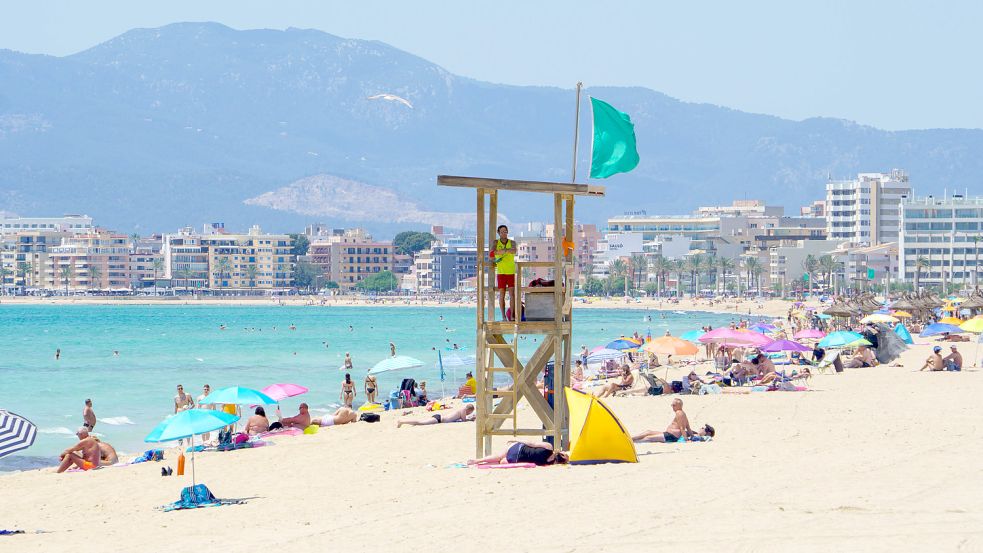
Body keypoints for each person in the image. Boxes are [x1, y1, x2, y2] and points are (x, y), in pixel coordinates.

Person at [632, 398, 715, 442]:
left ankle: (633, 442)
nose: (672, 406)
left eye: (674, 405)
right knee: (648, 431)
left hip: (671, 436)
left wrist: (686, 440)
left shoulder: (679, 413)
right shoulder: (682, 413)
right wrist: (692, 436)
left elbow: (682, 428)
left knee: (648, 438)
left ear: (679, 405)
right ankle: (631, 438)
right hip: (668, 434)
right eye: (672, 404)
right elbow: (688, 427)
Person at [468, 440, 569, 466]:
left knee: (499, 456)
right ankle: (480, 465)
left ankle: (477, 461)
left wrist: (516, 439)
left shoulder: (549, 447)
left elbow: (532, 443)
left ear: (561, 453)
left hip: (519, 449)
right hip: (516, 459)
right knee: (500, 462)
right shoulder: (549, 464)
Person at [491, 224, 517, 320]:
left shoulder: (512, 242)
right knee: (502, 294)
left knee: (512, 294)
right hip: (501, 272)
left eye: (505, 231)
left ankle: (512, 315)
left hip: (510, 271)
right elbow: (492, 253)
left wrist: (502, 251)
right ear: (498, 233)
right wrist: (504, 251)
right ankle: (503, 316)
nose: (504, 233)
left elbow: (514, 251)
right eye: (502, 232)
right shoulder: (495, 242)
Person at [398, 403, 475, 427]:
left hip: (439, 418)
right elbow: (464, 420)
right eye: (470, 412)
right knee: (420, 423)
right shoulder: (463, 410)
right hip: (439, 419)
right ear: (469, 410)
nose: (469, 413)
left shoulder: (462, 409)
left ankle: (403, 421)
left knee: (420, 423)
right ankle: (402, 421)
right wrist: (471, 419)